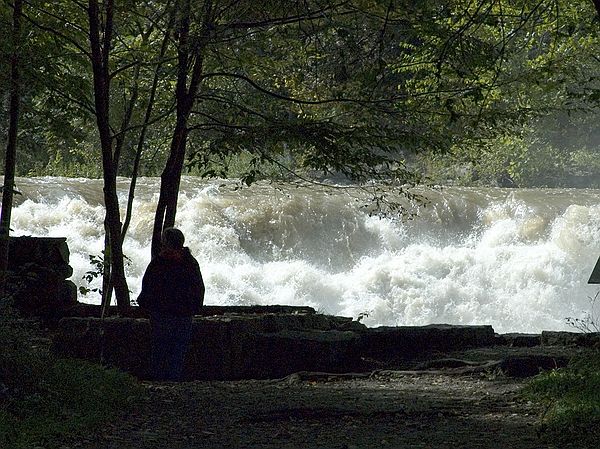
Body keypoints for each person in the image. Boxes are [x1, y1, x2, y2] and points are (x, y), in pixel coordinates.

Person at [137, 227, 205, 381]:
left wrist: (145, 304)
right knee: (178, 350)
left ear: (166, 243)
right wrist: (195, 307)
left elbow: (148, 286)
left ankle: (159, 380)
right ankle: (173, 380)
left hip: (162, 313)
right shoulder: (190, 262)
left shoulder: (159, 262)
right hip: (184, 313)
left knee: (160, 349)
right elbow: (198, 287)